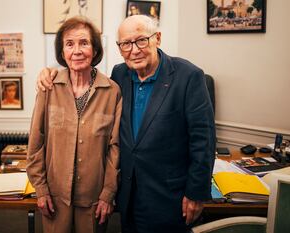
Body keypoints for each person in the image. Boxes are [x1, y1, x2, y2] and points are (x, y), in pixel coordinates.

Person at [36, 15, 216, 233]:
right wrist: (49, 71)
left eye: (141, 40)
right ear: (119, 48)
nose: (134, 49)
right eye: (126, 44)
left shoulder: (188, 76)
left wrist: (196, 192)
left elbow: (203, 140)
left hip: (168, 197)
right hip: (129, 194)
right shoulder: (119, 76)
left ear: (157, 38)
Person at [27, 16, 122, 233]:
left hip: (94, 199)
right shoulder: (48, 87)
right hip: (54, 197)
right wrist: (40, 189)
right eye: (69, 44)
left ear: (95, 50)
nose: (76, 50)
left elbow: (115, 148)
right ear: (62, 53)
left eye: (84, 43)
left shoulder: (113, 91)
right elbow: (36, 141)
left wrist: (108, 193)